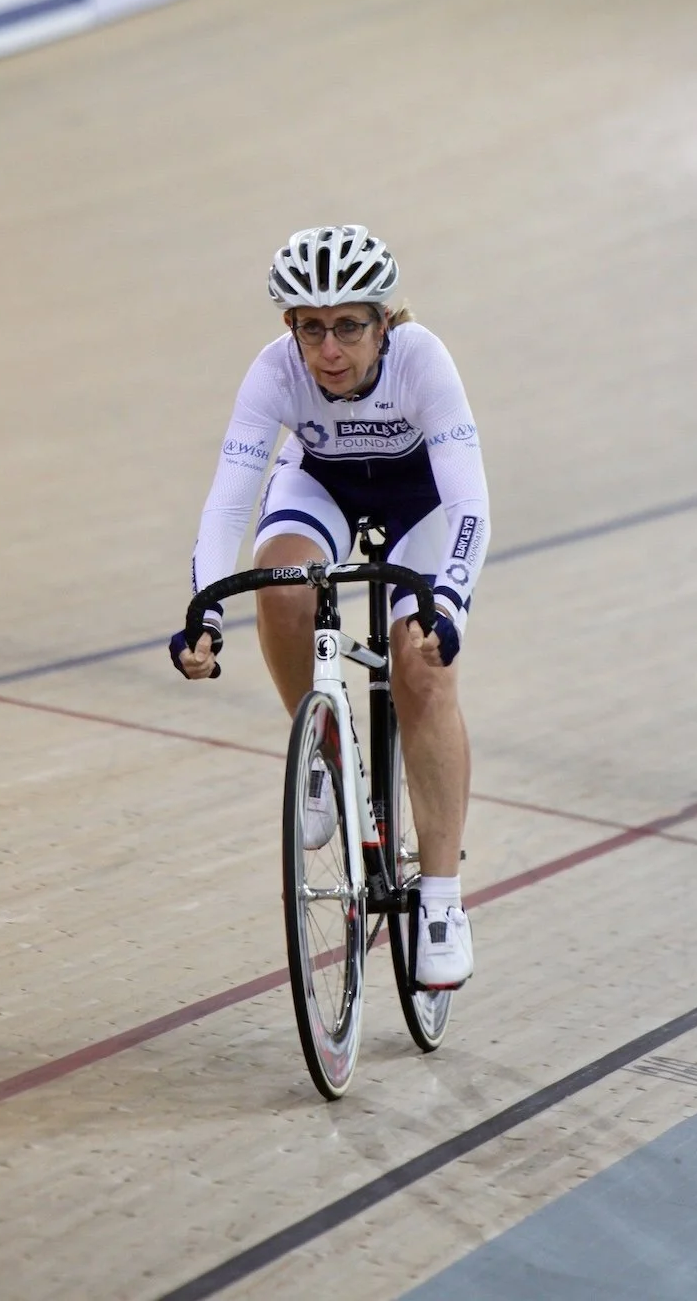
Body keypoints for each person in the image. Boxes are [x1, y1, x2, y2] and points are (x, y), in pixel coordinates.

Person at [171, 226, 489, 991]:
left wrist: (449, 607)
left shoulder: (424, 362)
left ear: (386, 321)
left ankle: (441, 898)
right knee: (280, 585)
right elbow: (227, 505)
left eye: (348, 325)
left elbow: (469, 498)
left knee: (420, 664)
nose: (329, 350)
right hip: (324, 488)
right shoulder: (274, 372)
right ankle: (319, 748)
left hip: (419, 505)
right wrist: (204, 613)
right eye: (310, 328)